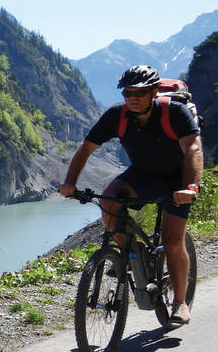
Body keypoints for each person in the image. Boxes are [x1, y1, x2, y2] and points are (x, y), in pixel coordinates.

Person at [59, 64, 203, 325]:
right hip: (142, 174)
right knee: (108, 201)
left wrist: (190, 187)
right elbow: (86, 148)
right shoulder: (118, 115)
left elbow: (194, 149)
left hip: (176, 180)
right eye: (128, 93)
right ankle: (128, 254)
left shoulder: (175, 112)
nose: (133, 99)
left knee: (172, 242)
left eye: (140, 93)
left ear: (154, 92)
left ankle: (180, 302)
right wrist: (70, 181)